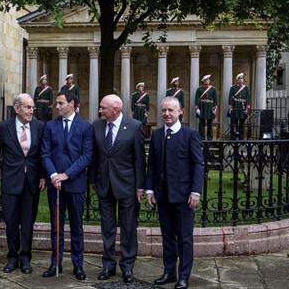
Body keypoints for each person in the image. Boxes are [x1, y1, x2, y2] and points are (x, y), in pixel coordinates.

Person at [146, 97, 204, 289]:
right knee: (167, 237)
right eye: (163, 110)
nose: (166, 114)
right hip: (163, 196)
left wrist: (196, 191)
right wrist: (149, 189)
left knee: (185, 238)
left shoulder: (190, 135)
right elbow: (152, 165)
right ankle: (169, 272)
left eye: (171, 110)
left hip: (184, 196)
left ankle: (184, 276)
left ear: (181, 112)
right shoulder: (156, 135)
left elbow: (198, 164)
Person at [91, 95, 145, 283]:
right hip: (104, 185)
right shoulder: (97, 125)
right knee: (107, 228)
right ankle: (108, 266)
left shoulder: (135, 126)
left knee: (128, 228)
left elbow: (139, 160)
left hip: (127, 186)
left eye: (103, 108)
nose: (100, 111)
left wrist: (140, 187)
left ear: (115, 109)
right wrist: (94, 182)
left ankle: (127, 266)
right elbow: (96, 157)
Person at [41, 91, 93, 280]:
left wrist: (67, 175)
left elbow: (86, 156)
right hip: (55, 184)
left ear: (72, 103)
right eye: (57, 103)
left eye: (61, 103)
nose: (57, 106)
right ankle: (56, 263)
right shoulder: (50, 126)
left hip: (75, 184)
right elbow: (44, 153)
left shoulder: (85, 127)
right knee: (56, 227)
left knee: (77, 227)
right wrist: (54, 175)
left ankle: (78, 265)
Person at [0, 93, 46, 274]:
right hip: (11, 181)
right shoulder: (4, 127)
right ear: (17, 109)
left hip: (32, 182)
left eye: (32, 107)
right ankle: (12, 258)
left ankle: (25, 257)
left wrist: (43, 175)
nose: (31, 110)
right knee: (11, 222)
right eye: (28, 107)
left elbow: (43, 154)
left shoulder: (40, 127)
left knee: (27, 222)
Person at [194, 75, 218, 140]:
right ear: (204, 81)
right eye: (206, 80)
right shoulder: (199, 89)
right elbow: (196, 99)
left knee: (210, 123)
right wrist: (197, 109)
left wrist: (215, 109)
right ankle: (202, 137)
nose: (207, 81)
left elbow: (215, 100)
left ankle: (210, 138)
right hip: (202, 107)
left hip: (210, 107)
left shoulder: (213, 89)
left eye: (208, 80)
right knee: (201, 123)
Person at [228, 72, 251, 140]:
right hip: (235, 106)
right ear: (237, 80)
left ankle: (241, 138)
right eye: (240, 78)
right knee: (233, 123)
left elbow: (248, 98)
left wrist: (247, 106)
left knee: (242, 123)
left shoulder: (246, 88)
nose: (241, 80)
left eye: (242, 78)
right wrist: (230, 106)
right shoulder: (233, 88)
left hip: (242, 107)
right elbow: (230, 97)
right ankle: (233, 137)